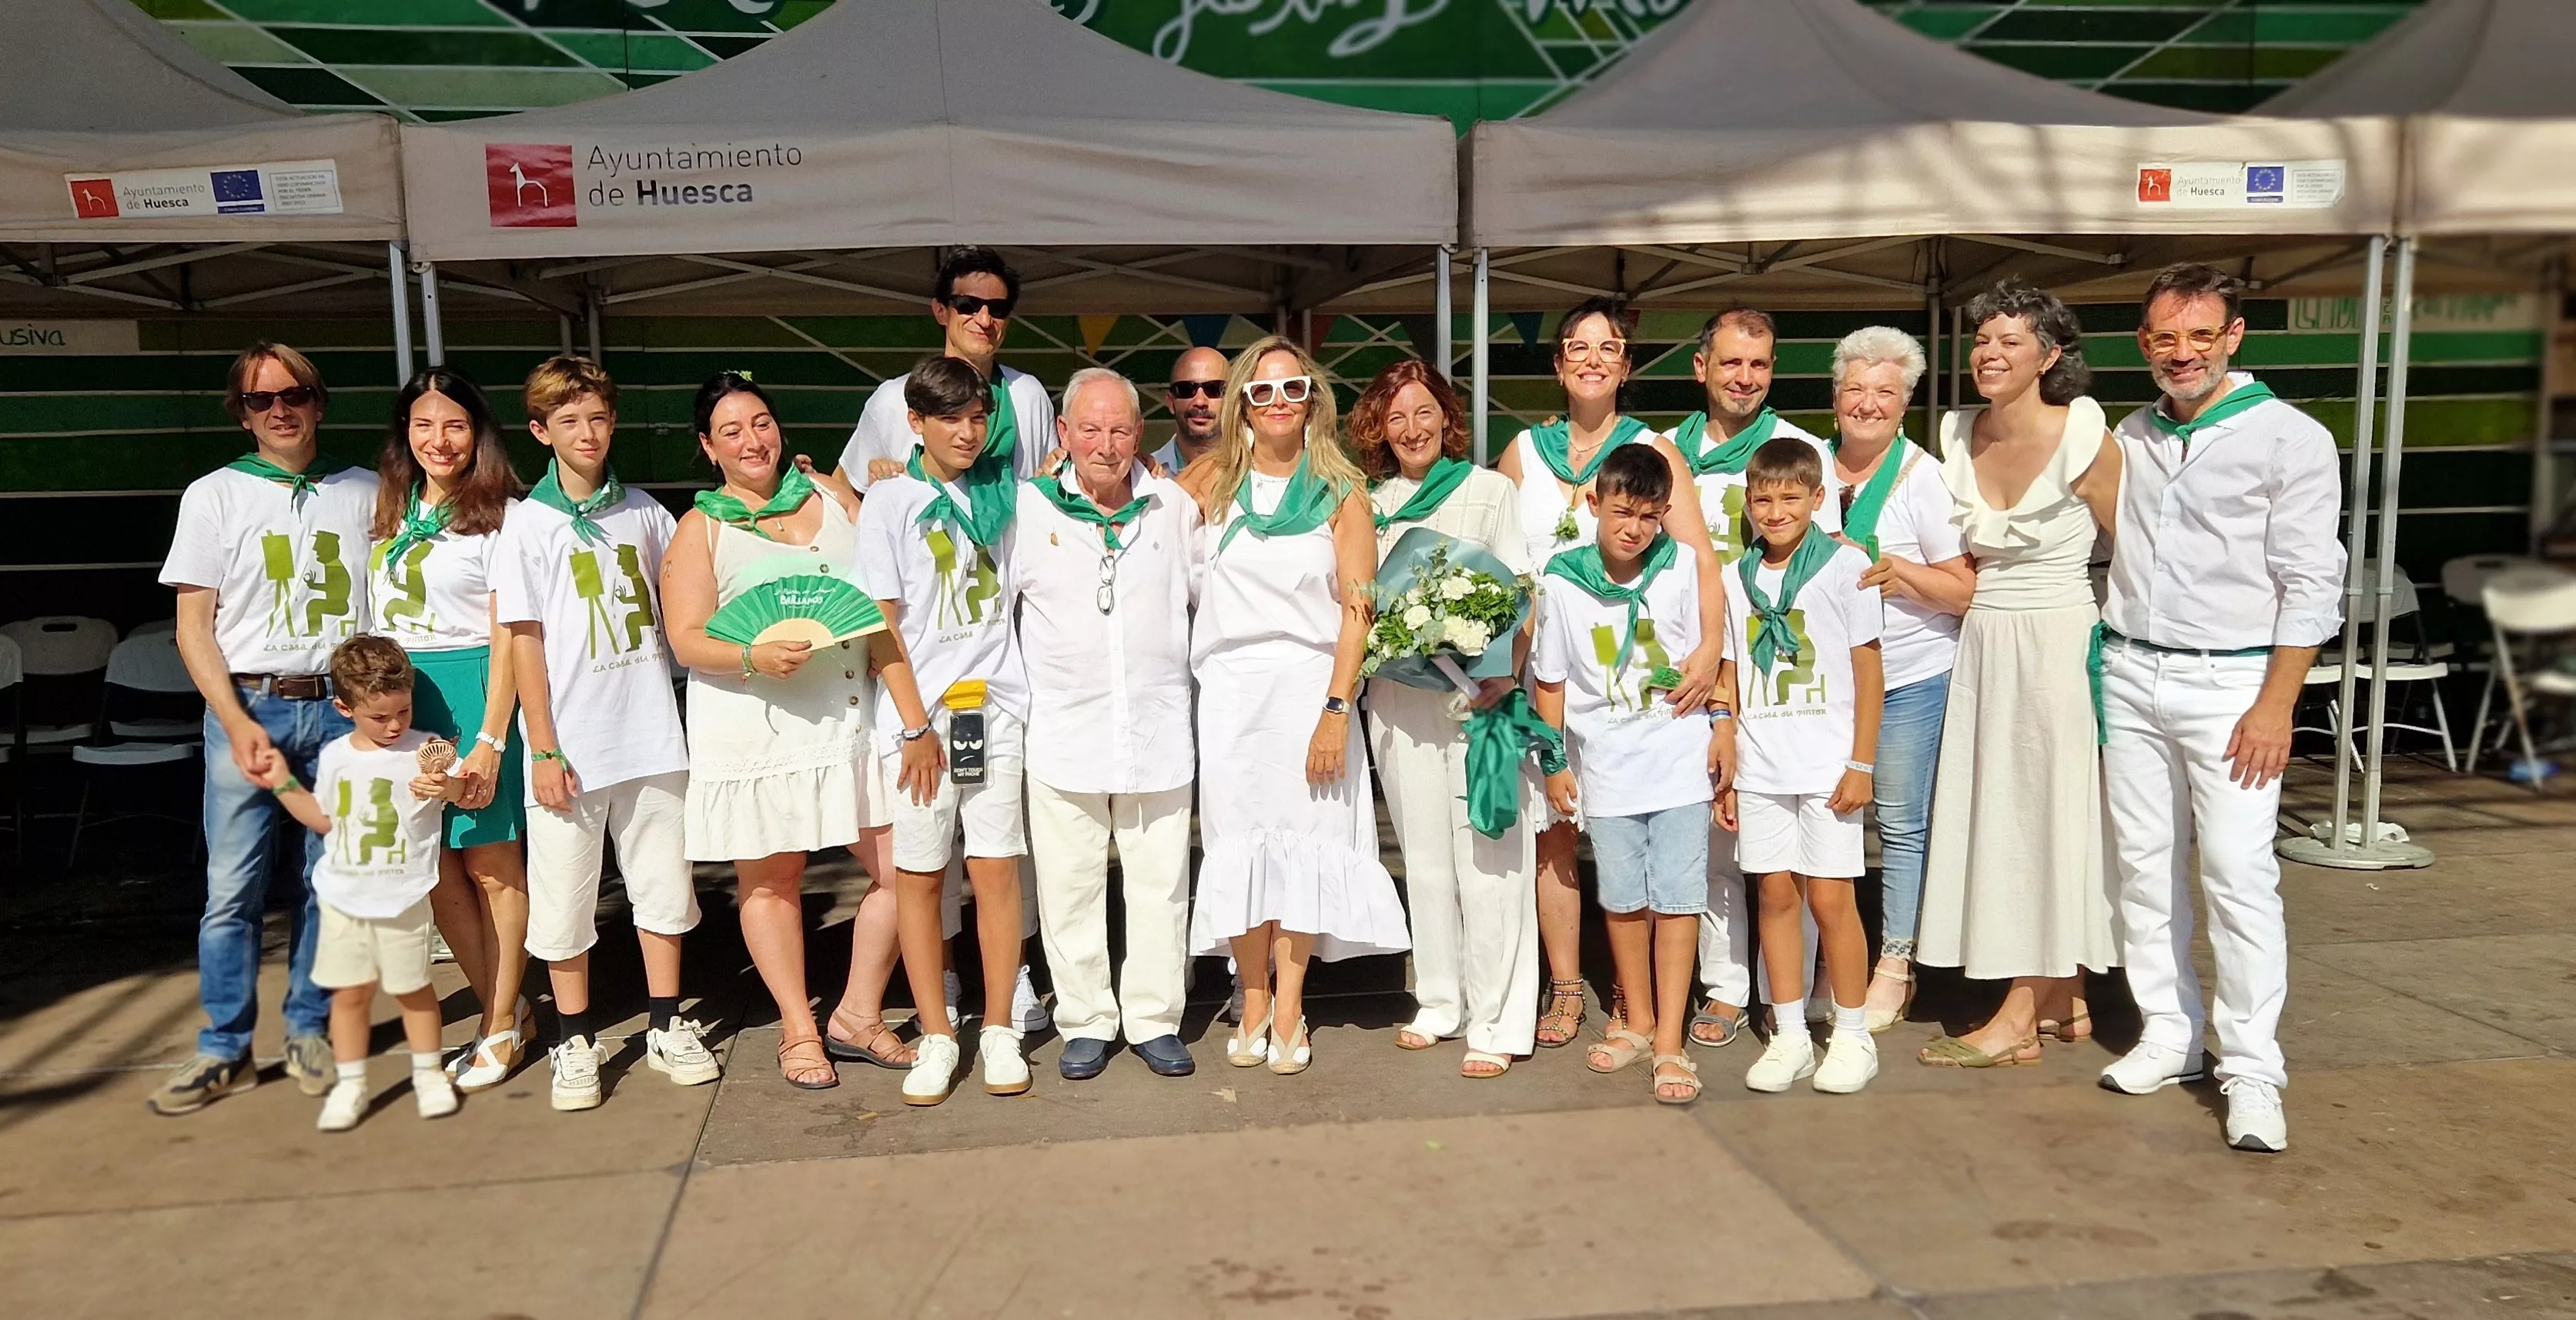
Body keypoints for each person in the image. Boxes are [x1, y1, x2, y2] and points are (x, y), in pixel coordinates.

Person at [2099, 264, 2343, 1154]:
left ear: (2234, 336)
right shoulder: (2133, 431)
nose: (2182, 352)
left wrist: (2276, 703)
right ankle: (2169, 1032)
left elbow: (2313, 583)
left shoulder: (2290, 437)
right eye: (2165, 336)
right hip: (2131, 672)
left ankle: (2250, 1066)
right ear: (2144, 344)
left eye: (2200, 335)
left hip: (2233, 683)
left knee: (2239, 876)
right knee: (2141, 868)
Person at [1493, 297, 1726, 1051]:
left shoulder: (1654, 448)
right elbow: (1498, 570)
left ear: (1625, 367)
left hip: (1633, 684)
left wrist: (1710, 656)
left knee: (1641, 835)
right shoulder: (1522, 453)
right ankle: (1565, 985)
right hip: (1547, 672)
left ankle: (1637, 998)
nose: (1593, 358)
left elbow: (1701, 564)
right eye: (1578, 346)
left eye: (1610, 347)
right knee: (1554, 830)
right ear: (1558, 363)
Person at [149, 342, 375, 1116]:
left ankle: (308, 1025)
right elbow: (192, 626)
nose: (280, 409)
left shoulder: (366, 492)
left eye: (296, 393)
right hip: (251, 704)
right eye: (260, 399)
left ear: (319, 400)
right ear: (240, 411)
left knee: (329, 880)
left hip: (339, 711)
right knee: (232, 888)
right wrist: (235, 718)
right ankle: (224, 1045)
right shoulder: (213, 495)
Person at [661, 372, 902, 1092]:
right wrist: (749, 654)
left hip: (848, 721)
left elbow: (886, 584)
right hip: (752, 724)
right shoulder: (700, 527)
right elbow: (685, 638)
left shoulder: (832, 499)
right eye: (731, 431)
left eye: (761, 422)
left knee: (906, 866)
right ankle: (798, 1025)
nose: (752, 440)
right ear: (709, 447)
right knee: (772, 881)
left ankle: (856, 1012)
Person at [1177, 335, 1409, 1075]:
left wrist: (1337, 708)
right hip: (1232, 693)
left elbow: (1359, 611)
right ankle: (1250, 996)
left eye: (1293, 389)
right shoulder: (1206, 481)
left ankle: (1289, 1005)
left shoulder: (1343, 490)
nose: (1279, 403)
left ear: (1314, 400)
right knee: (1240, 843)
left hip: (1312, 685)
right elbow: (1123, 516)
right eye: (1263, 391)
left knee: (1305, 845)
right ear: (1242, 401)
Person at [497, 356, 717, 1112]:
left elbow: (683, 605)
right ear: (539, 431)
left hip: (652, 732)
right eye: (567, 421)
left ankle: (665, 1021)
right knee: (564, 897)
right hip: (573, 745)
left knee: (663, 887)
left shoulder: (649, 513)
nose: (586, 433)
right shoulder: (526, 524)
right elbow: (523, 640)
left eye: (596, 417)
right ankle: (573, 1036)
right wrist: (545, 744)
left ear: (613, 420)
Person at [1915, 282, 2123, 1069]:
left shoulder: (2087, 438)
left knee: (2050, 822)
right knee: (2003, 821)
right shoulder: (1955, 431)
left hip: (2058, 645)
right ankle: (2063, 993)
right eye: (1982, 341)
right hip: (1984, 645)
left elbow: (2139, 556)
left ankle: (2015, 1018)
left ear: (2051, 353)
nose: (1991, 354)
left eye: (2010, 341)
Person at [1659, 309, 1842, 1051]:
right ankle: (1728, 985)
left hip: (1774, 669)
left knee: (1782, 847)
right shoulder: (1662, 450)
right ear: (1700, 367)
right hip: (1686, 668)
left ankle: (1783, 993)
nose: (1746, 378)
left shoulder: (1798, 452)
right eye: (1732, 363)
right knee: (1709, 836)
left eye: (1760, 365)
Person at [1353, 358, 1540, 1078]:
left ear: (1447, 417)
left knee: (1486, 855)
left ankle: (1497, 1016)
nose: (1411, 428)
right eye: (1396, 416)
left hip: (1479, 701)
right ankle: (1439, 999)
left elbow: (1521, 588)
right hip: (1400, 701)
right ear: (1378, 427)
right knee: (1425, 859)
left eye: (1423, 412)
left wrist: (1501, 679)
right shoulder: (1370, 502)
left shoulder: (1490, 489)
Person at [856, 356, 1033, 1106]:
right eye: (950, 417)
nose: (967, 430)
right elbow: (878, 621)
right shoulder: (890, 500)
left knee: (996, 870)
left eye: (977, 416)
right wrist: (913, 724)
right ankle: (937, 1032)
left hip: (997, 707)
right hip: (920, 722)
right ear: (917, 422)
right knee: (921, 877)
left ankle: (998, 1026)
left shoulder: (1012, 494)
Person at [1015, 368, 1202, 1081]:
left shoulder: (1172, 507)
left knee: (1160, 885)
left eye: (1121, 429)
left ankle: (1155, 1018)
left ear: (1140, 435)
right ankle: (1087, 1019)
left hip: (1157, 732)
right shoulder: (1027, 511)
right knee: (1069, 886)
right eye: (1089, 429)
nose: (1105, 444)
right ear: (1063, 434)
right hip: (1064, 733)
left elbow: (1207, 604)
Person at [366, 366, 534, 1093]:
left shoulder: (504, 514)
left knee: (492, 864)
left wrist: (491, 738)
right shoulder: (388, 510)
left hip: (472, 694)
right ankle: (512, 1007)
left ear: (479, 434)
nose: (440, 440)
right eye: (425, 424)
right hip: (406, 701)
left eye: (455, 425)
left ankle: (497, 1024)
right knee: (435, 867)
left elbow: (509, 638)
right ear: (405, 432)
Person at [1534, 445, 1718, 1104]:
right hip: (1607, 770)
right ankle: (1636, 1018)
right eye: (1621, 512)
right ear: (1594, 504)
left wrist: (1722, 725)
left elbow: (1710, 658)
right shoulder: (1561, 579)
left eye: (1648, 515)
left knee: (1676, 899)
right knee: (1623, 899)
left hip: (1678, 766)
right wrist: (1554, 763)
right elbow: (1550, 681)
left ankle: (1670, 1038)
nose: (1633, 528)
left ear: (1666, 513)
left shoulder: (1686, 568)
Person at [1817, 330, 1975, 1033]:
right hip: (1827, 685)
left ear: (1906, 401)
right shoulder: (1811, 469)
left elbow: (1966, 590)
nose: (1868, 403)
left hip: (1911, 674)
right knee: (1829, 816)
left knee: (1903, 825)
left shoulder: (1925, 477)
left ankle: (1896, 963)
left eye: (1884, 391)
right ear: (1835, 397)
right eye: (1856, 388)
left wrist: (1895, 570)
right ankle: (1833, 954)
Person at [1719, 439, 1885, 1095]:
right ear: (1749, 505)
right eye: (1764, 498)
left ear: (1819, 499)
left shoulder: (1846, 568)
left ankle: (1852, 1033)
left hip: (1827, 765)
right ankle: (1789, 1033)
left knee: (1829, 896)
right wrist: (1728, 754)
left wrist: (1861, 762)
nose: (1776, 509)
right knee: (1776, 894)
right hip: (1762, 764)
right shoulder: (1736, 577)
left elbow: (1869, 669)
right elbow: (1731, 670)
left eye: (1791, 497)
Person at [256, 636, 464, 1131]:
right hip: (343, 898)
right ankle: (350, 1083)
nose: (395, 726)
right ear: (344, 708)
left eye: (403, 712)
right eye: (379, 717)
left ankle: (428, 1073)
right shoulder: (334, 757)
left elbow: (463, 791)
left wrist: (447, 786)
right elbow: (323, 819)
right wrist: (283, 781)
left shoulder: (426, 748)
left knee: (414, 990)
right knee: (349, 995)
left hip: (404, 896)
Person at [835, 246, 1057, 490]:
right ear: (940, 311)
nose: (984, 320)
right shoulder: (893, 399)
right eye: (967, 305)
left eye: (998, 309)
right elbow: (843, 492)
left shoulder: (1028, 394)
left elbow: (1052, 485)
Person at [1153, 345, 1229, 473]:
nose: (1200, 402)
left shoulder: (1257, 472)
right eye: (1186, 389)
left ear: (1232, 399)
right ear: (1171, 402)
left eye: (1214, 389)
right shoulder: (1143, 476)